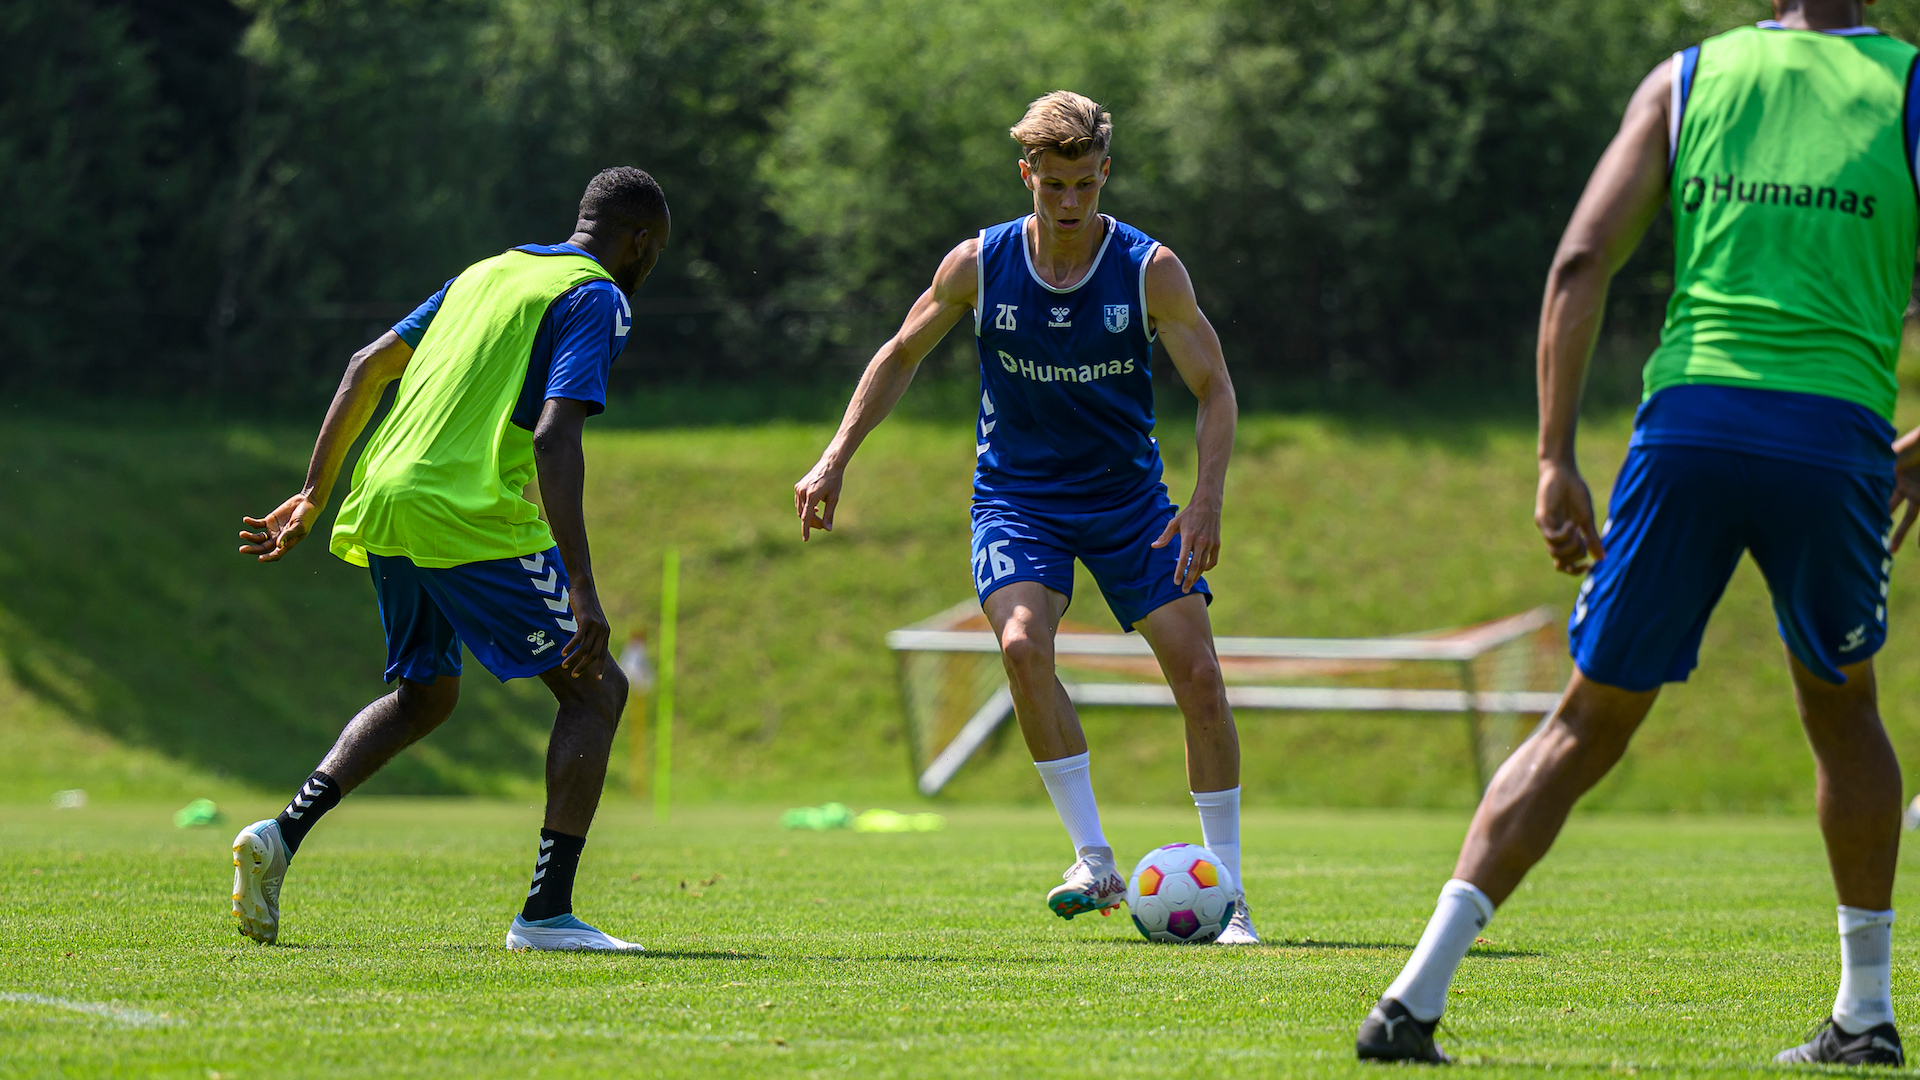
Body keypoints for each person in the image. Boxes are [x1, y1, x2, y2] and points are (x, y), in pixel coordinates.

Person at [1355, 0, 1920, 1064]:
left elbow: (1579, 263)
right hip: (1835, 436)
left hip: (1691, 426)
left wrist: (1554, 456)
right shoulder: (1915, 89)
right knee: (1846, 712)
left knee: (1584, 723)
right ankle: (1866, 1013)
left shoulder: (1689, 80)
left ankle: (1412, 999)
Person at [793, 91, 1255, 943]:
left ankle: (1228, 898)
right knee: (1017, 645)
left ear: (1104, 174)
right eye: (1054, 187)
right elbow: (899, 355)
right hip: (1018, 501)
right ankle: (1094, 858)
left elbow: (1215, 388)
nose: (1072, 204)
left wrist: (1206, 499)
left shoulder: (1151, 271)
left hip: (1128, 505)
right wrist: (835, 456)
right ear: (1027, 177)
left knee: (1198, 675)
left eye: (1086, 184)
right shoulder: (979, 264)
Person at [231, 167, 670, 952]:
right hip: (464, 510)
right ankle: (546, 916)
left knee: (424, 695)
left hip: (386, 497)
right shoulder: (597, 296)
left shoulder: (484, 273)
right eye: (655, 251)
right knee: (596, 689)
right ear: (638, 240)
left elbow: (366, 367)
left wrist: (312, 494)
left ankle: (279, 834)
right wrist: (582, 587)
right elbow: (554, 437)